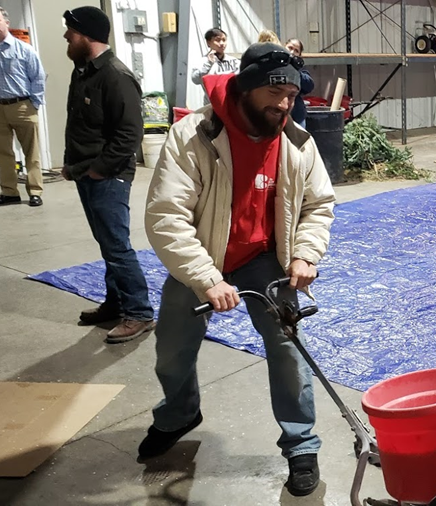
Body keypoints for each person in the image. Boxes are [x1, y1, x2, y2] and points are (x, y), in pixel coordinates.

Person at [141, 42, 335, 497]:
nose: (285, 104)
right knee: (171, 349)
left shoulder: (295, 141)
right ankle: (178, 413)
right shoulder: (194, 136)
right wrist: (207, 278)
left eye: (292, 94)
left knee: (287, 349)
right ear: (246, 86)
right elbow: (166, 216)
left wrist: (305, 254)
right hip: (204, 258)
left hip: (264, 260)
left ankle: (301, 443)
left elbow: (318, 205)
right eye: (275, 92)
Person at [62, 6, 155, 343]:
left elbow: (130, 135)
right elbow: (81, 125)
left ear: (87, 34)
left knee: (117, 247)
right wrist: (73, 166)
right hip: (87, 173)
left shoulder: (116, 75)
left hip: (108, 176)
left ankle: (140, 313)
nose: (66, 37)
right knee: (107, 243)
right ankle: (116, 304)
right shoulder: (83, 71)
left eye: (70, 31)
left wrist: (100, 171)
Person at [0, 5, 46, 207]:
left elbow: (38, 78)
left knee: (32, 153)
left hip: (22, 106)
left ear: (6, 21)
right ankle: (9, 192)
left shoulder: (25, 49)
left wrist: (34, 104)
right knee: (1, 154)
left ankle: (35, 192)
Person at [285, 38, 314, 128]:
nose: (292, 52)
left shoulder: (300, 68)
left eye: (296, 50)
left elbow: (309, 85)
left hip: (296, 115)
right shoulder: (276, 63)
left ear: (299, 55)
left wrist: (295, 71)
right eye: (290, 48)